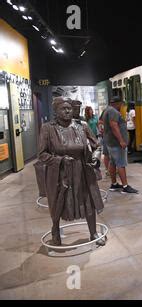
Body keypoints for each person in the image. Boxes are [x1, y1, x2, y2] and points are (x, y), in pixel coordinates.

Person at [38, 97, 105, 246]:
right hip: (59, 173)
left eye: (69, 108)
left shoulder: (82, 126)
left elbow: (97, 146)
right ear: (55, 110)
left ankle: (93, 232)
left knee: (88, 201)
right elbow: (42, 154)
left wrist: (95, 157)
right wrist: (59, 160)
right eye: (63, 108)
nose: (68, 110)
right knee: (57, 202)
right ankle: (55, 231)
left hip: (82, 170)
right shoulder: (48, 128)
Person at [103, 96, 138, 194]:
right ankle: (125, 186)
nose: (122, 106)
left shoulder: (107, 110)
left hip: (111, 142)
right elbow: (114, 126)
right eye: (121, 104)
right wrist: (121, 141)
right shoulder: (113, 111)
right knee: (121, 164)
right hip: (116, 144)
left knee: (113, 163)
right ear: (118, 103)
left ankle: (114, 184)